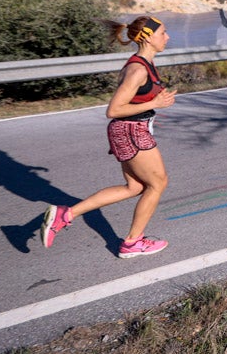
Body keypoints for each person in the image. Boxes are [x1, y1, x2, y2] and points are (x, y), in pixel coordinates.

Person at [41, 16, 178, 258]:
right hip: (131, 130)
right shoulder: (137, 70)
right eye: (163, 32)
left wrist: (155, 101)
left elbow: (136, 100)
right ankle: (133, 242)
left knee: (134, 187)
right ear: (147, 36)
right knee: (158, 183)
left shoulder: (146, 64)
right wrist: (156, 102)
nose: (167, 37)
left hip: (131, 129)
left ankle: (66, 214)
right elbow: (113, 110)